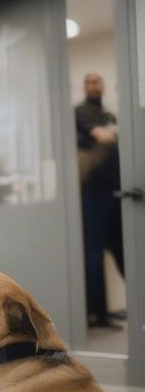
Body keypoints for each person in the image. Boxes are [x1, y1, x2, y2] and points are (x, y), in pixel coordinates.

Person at [75, 72, 124, 329]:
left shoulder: (109, 115)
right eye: (89, 82)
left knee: (123, 251)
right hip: (92, 195)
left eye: (97, 81)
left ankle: (133, 308)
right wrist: (115, 132)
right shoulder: (81, 112)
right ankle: (97, 315)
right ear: (85, 87)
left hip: (117, 193)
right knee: (93, 255)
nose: (94, 85)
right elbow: (103, 137)